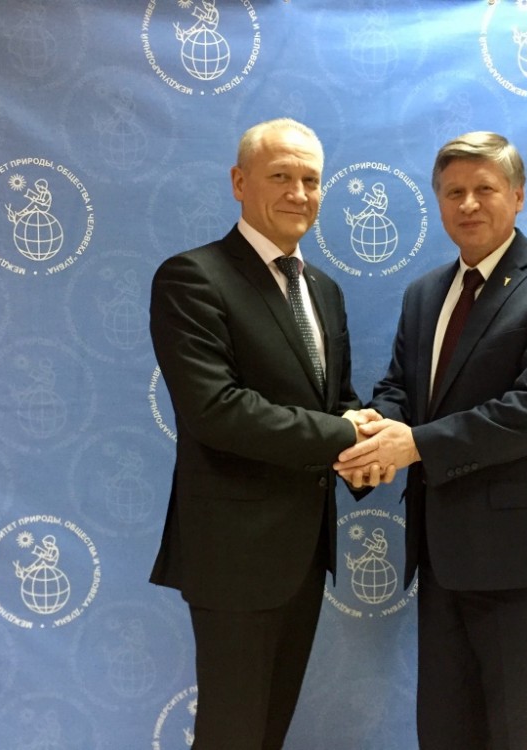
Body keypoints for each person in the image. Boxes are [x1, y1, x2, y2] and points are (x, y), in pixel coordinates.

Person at [334, 131, 527, 749]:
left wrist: (414, 445)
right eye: (454, 192)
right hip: (440, 550)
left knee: (515, 731)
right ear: (439, 202)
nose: (469, 204)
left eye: (485, 188)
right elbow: (400, 388)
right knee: (444, 729)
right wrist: (373, 431)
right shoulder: (425, 293)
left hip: (519, 556)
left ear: (518, 196)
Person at [148, 118, 386, 750]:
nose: (298, 193)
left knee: (269, 732)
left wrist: (368, 448)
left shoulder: (324, 290)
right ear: (239, 182)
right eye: (280, 175)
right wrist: (343, 434)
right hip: (233, 554)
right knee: (231, 734)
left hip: (303, 553)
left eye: (311, 180)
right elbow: (217, 410)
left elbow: (336, 402)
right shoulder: (193, 277)